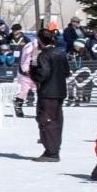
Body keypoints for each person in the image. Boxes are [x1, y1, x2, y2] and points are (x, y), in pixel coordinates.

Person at [29, 29, 69, 161]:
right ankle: (54, 147)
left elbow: (43, 74)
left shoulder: (44, 55)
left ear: (40, 40)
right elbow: (67, 72)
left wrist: (33, 71)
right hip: (60, 91)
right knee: (57, 120)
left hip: (48, 92)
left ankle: (51, 152)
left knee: (47, 120)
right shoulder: (60, 52)